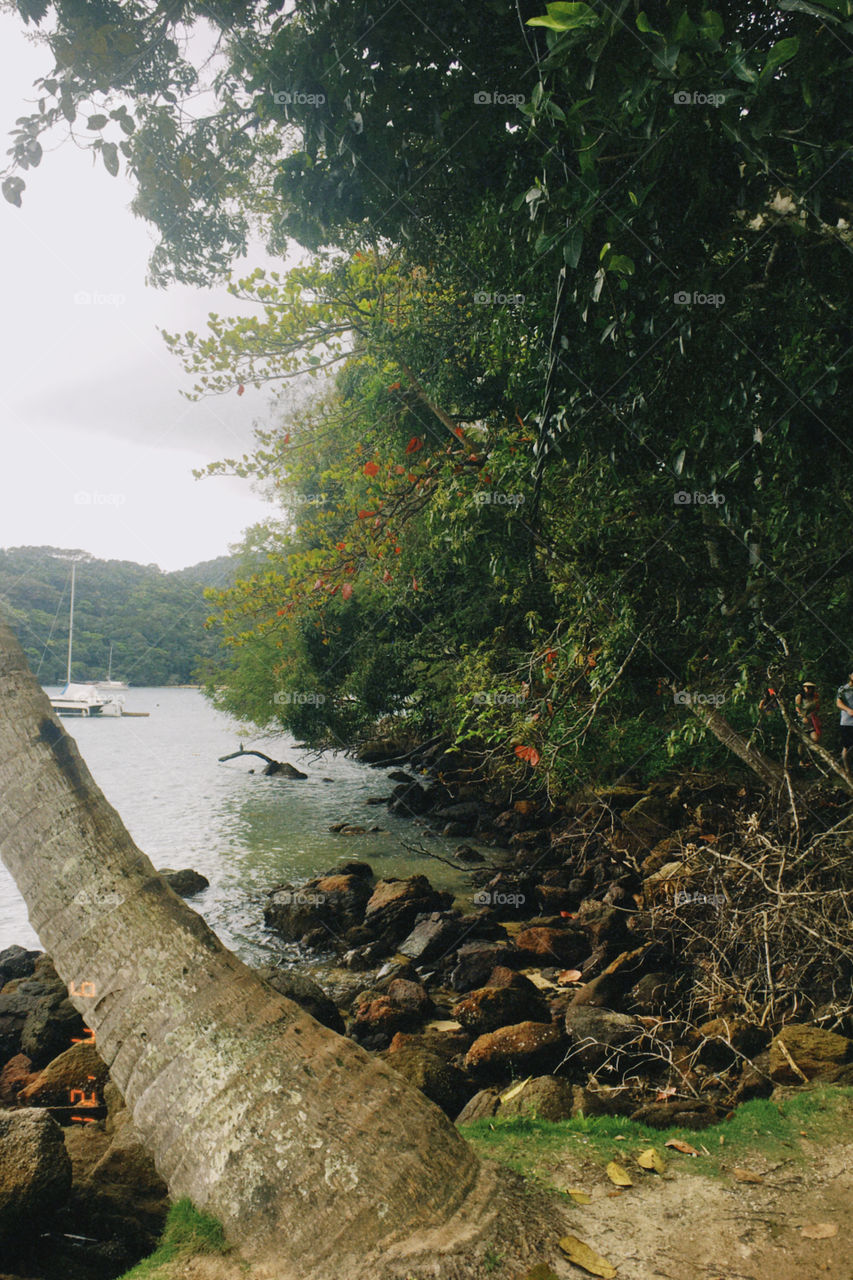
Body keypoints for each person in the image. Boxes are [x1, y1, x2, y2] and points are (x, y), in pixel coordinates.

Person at [795, 680, 821, 765]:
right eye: (806, 687)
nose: (808, 689)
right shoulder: (800, 696)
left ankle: (811, 759)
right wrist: (802, 717)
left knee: (815, 739)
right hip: (802, 721)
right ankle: (801, 760)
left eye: (810, 688)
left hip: (812, 721)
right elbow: (797, 708)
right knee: (802, 742)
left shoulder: (815, 697)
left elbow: (817, 707)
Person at [836, 671, 853, 775]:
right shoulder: (843, 689)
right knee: (847, 747)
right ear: (850, 676)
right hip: (847, 722)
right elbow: (838, 703)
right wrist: (848, 710)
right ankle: (847, 769)